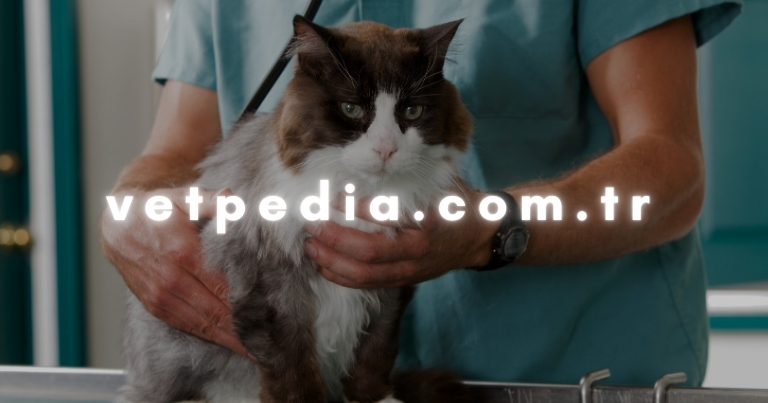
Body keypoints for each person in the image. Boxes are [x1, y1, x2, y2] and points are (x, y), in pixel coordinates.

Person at [100, 0, 742, 386]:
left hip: (572, 376)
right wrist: (127, 213)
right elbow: (175, 155)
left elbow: (672, 172)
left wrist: (492, 229)